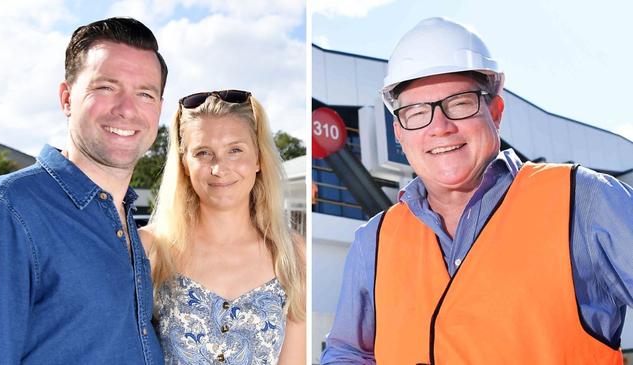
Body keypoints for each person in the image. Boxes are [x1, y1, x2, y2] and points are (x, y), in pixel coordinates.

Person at [321, 17, 633, 364]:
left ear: (495, 112)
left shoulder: (584, 200)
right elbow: (348, 352)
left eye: (459, 103)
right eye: (417, 112)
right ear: (399, 132)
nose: (440, 127)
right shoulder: (374, 241)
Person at [0, 17, 167, 364]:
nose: (127, 109)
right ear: (67, 97)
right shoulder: (6, 212)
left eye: (145, 93)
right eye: (106, 87)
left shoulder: (130, 225)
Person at [140, 90, 306, 364]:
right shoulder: (149, 248)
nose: (219, 168)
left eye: (235, 150)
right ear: (184, 163)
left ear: (258, 159)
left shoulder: (292, 253)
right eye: (203, 153)